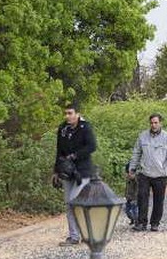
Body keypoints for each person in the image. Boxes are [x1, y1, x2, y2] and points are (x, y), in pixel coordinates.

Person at [51, 102, 96, 247]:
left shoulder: (85, 127)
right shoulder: (63, 128)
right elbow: (59, 150)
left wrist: (75, 155)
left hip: (82, 171)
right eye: (66, 113)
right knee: (69, 204)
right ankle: (74, 236)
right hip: (67, 171)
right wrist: (56, 171)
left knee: (76, 202)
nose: (67, 116)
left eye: (70, 113)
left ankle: (88, 234)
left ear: (77, 114)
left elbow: (92, 146)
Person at [129, 113, 167, 232]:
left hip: (160, 175)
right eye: (151, 123)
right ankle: (141, 223)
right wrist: (132, 168)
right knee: (142, 198)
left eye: (156, 123)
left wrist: (166, 168)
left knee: (158, 200)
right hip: (145, 173)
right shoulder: (142, 136)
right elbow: (136, 153)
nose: (153, 125)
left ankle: (155, 223)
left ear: (160, 123)